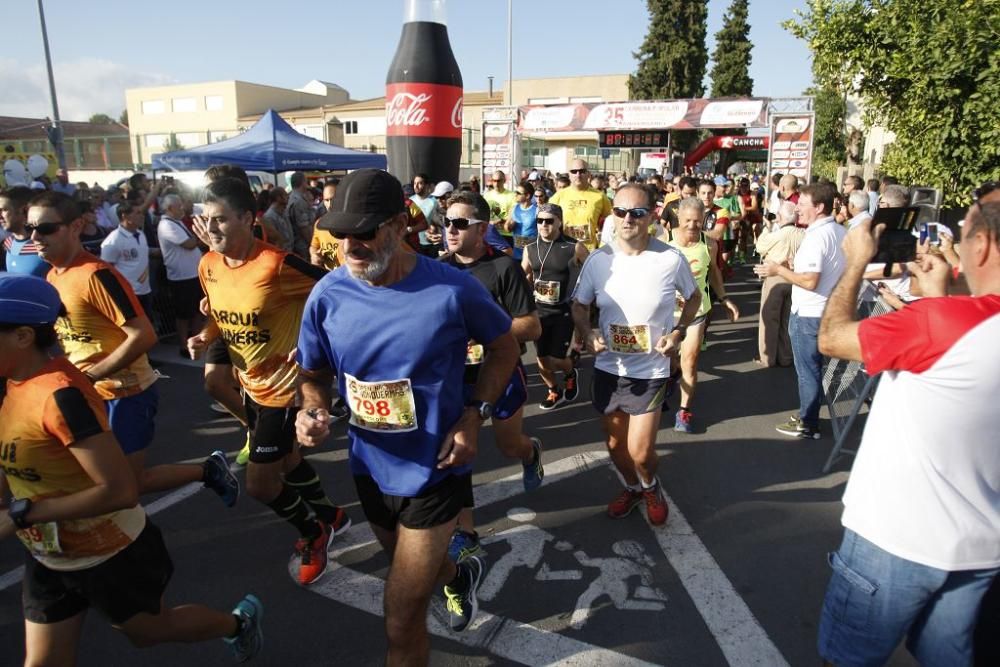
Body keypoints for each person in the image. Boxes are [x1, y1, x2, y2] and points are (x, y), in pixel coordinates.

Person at [294, 169, 521, 663]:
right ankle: (456, 574)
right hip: (370, 467)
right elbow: (311, 374)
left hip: (435, 470)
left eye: (366, 231)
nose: (351, 245)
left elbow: (504, 348)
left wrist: (474, 416)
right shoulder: (328, 295)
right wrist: (310, 409)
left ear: (400, 225)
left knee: (400, 616)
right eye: (341, 233)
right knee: (413, 569)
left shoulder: (451, 288)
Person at [0, 274, 264, 664]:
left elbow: (120, 490)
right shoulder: (11, 382)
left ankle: (238, 624)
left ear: (23, 336)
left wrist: (22, 513)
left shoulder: (59, 396)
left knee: (152, 632)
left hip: (112, 552)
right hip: (49, 555)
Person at [814, 200, 1000, 667]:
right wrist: (936, 298)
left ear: (981, 245)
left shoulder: (942, 323)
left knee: (846, 658)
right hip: (980, 549)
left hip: (894, 538)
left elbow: (833, 337)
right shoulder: (949, 321)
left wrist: (855, 260)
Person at [186, 177, 349, 586]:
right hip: (250, 385)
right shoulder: (208, 264)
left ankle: (314, 533)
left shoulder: (276, 264)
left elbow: (339, 293)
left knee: (260, 484)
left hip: (285, 388)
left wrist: (316, 343)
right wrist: (205, 336)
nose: (213, 229)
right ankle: (333, 516)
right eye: (208, 220)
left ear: (247, 218)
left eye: (222, 220)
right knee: (289, 461)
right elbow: (219, 315)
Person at [29, 191, 238, 506]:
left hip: (125, 393)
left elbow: (143, 335)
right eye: (32, 228)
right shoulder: (52, 276)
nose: (35, 236)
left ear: (75, 227)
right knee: (105, 482)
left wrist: (92, 374)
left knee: (126, 486)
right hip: (88, 395)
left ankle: (208, 470)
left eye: (45, 228)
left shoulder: (95, 275)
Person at [571, 184, 701, 526]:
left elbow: (694, 298)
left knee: (641, 452)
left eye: (637, 213)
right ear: (612, 215)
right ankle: (631, 487)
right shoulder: (600, 261)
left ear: (652, 216)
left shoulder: (670, 259)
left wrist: (678, 332)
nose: (627, 219)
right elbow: (579, 305)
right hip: (608, 367)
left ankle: (650, 485)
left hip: (651, 369)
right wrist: (587, 333)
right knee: (615, 445)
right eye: (620, 212)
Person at [439, 190, 545, 562]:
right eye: (446, 222)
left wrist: (487, 331)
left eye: (460, 223)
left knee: (508, 445)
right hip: (454, 378)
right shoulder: (439, 268)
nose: (450, 229)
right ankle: (465, 533)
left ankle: (531, 453)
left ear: (482, 228)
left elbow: (531, 327)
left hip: (501, 372)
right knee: (457, 455)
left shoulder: (504, 268)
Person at [753, 182, 846, 439]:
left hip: (809, 313)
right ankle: (809, 414)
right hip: (827, 310)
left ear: (819, 207)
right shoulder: (840, 231)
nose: (798, 210)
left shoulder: (816, 237)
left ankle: (808, 423)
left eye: (803, 205)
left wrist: (779, 270)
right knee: (812, 369)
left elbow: (809, 281)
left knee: (808, 371)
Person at [667, 198, 739, 433]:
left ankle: (684, 411)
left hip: (697, 312)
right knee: (668, 360)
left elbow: (714, 273)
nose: (692, 226)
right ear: (679, 218)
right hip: (667, 314)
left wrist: (724, 298)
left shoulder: (709, 244)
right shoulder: (663, 242)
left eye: (698, 221)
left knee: (690, 360)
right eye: (687, 220)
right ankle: (672, 372)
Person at [522, 203, 588, 410]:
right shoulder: (530, 248)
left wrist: (584, 304)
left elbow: (591, 274)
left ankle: (569, 373)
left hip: (563, 311)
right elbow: (525, 275)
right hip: (539, 311)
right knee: (542, 360)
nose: (543, 225)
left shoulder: (574, 247)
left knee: (556, 359)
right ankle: (553, 390)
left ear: (560, 222)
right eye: (539, 221)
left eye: (549, 221)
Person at [754, 201, 805, 367]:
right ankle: (786, 357)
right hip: (795, 278)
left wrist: (767, 227)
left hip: (775, 277)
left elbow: (760, 246)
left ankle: (767, 358)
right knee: (787, 320)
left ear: (780, 217)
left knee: (769, 319)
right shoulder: (803, 234)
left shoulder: (777, 234)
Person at [157, 193, 205, 358]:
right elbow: (189, 244)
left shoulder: (176, 222)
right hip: (181, 276)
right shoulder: (166, 225)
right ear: (170, 208)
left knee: (197, 311)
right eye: (179, 206)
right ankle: (184, 344)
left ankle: (197, 341)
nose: (183, 208)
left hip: (193, 274)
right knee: (184, 314)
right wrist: (201, 235)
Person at [100, 200, 153, 317]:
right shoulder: (113, 240)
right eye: (137, 213)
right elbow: (106, 270)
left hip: (145, 291)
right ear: (125, 216)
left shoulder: (141, 234)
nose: (142, 216)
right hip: (128, 295)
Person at [550, 159, 612, 250]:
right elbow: (547, 222)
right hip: (564, 249)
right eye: (574, 171)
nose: (578, 175)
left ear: (588, 174)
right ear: (569, 174)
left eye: (582, 171)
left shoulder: (600, 196)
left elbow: (609, 223)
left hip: (589, 251)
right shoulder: (558, 196)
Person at [2, 186, 50, 278]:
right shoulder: (7, 244)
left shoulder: (47, 244)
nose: (0, 216)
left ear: (24, 210)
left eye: (4, 210)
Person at [286, 172, 316, 258]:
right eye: (306, 181)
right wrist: (313, 244)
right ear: (302, 182)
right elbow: (304, 228)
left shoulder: (291, 197)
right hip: (302, 244)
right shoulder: (299, 201)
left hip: (298, 243)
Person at [483, 170, 517, 244]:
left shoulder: (512, 195)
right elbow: (483, 213)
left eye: (499, 181)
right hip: (490, 233)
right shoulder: (487, 195)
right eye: (494, 181)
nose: (496, 183)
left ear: (504, 181)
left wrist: (500, 221)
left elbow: (514, 215)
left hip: (506, 234)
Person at [506, 182, 538, 260]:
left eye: (518, 193)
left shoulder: (537, 210)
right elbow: (507, 228)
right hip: (517, 253)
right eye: (515, 192)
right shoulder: (514, 208)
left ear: (527, 196)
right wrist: (510, 226)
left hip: (532, 254)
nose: (515, 195)